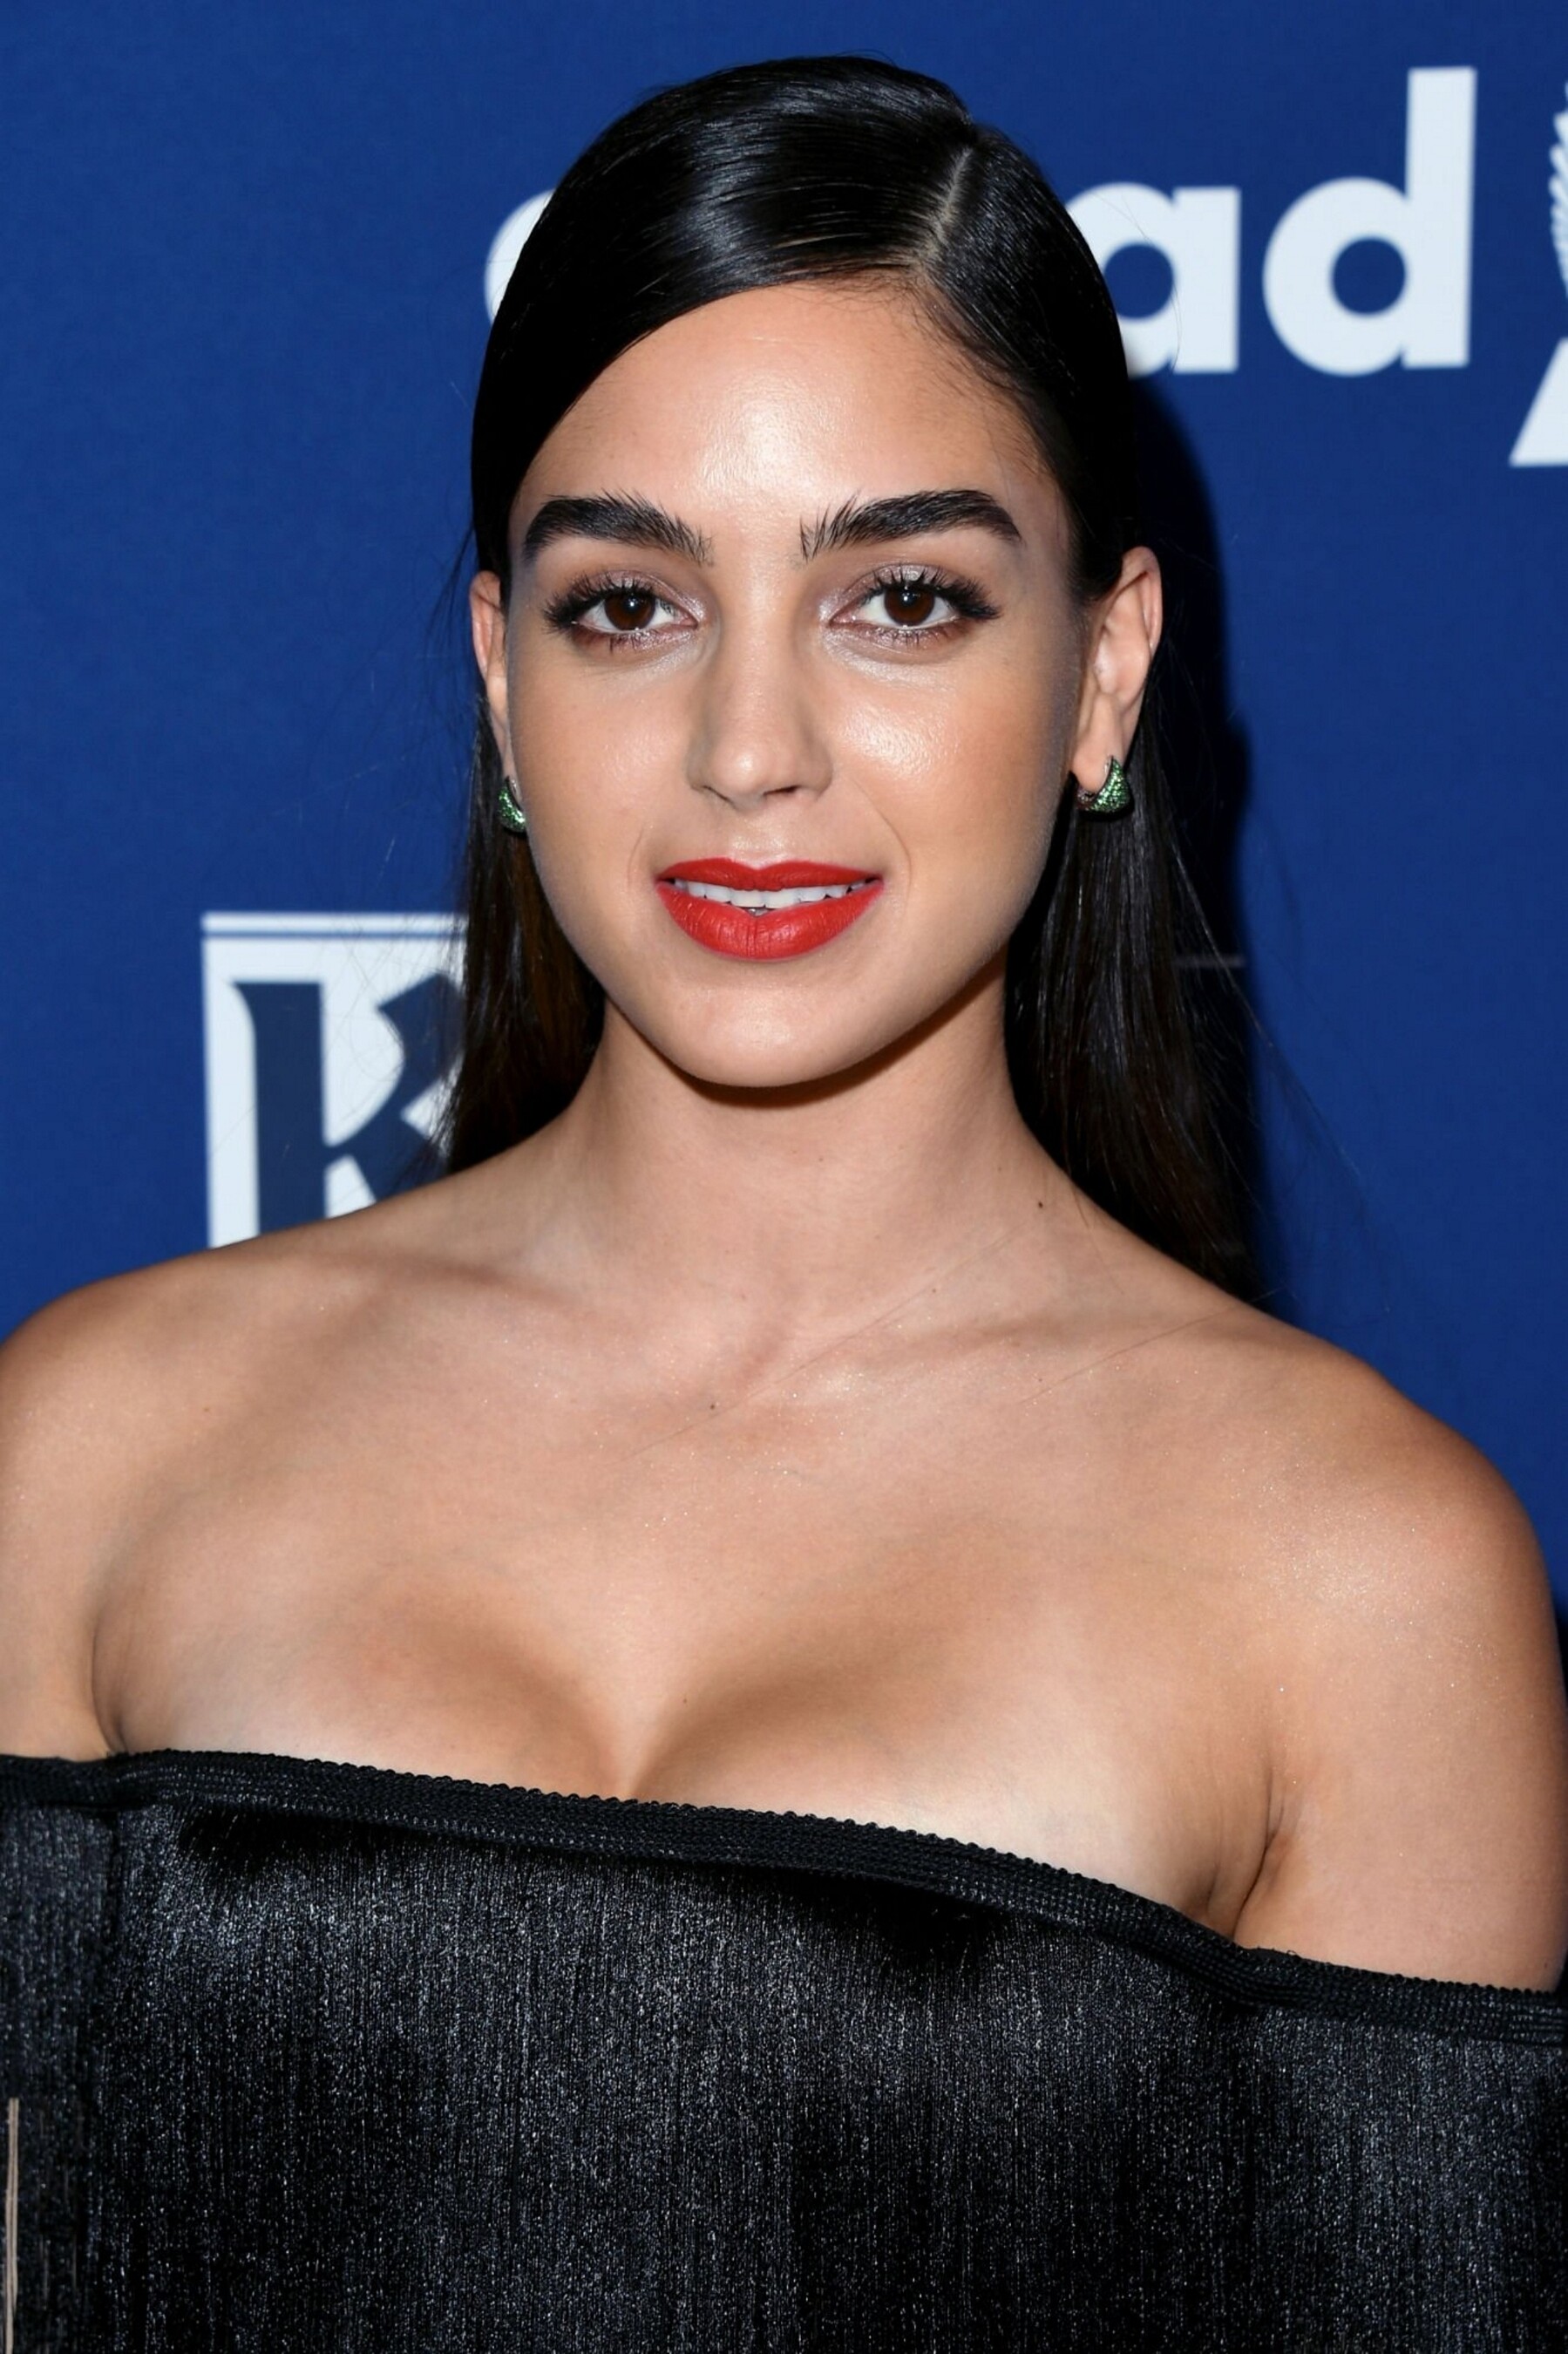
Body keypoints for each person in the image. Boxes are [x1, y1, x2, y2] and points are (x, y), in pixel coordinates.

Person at [2, 52, 1565, 2351]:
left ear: (1104, 669)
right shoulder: (91, 1440)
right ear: (503, 680)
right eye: (630, 604)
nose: (751, 750)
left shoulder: (1366, 1580)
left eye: (902, 598)